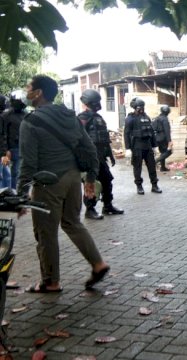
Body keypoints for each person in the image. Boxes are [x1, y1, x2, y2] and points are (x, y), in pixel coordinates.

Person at [18, 75, 110, 292]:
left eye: (29, 87)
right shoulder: (70, 116)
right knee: (72, 223)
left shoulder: (30, 122)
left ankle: (50, 282)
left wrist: (22, 195)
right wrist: (89, 178)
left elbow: (28, 164)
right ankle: (98, 264)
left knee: (45, 232)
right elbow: (89, 149)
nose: (26, 90)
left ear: (38, 92)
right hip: (72, 178)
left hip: (49, 183)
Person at [77, 89, 124, 219]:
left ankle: (107, 206)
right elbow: (77, 140)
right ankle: (90, 209)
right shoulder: (82, 118)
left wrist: (111, 155)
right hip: (89, 159)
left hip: (101, 157)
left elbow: (104, 139)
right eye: (96, 102)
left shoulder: (99, 118)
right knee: (91, 183)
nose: (98, 104)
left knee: (107, 180)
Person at [124, 98, 162, 195]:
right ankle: (139, 186)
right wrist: (127, 148)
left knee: (152, 167)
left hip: (148, 146)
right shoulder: (130, 119)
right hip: (137, 146)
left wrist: (155, 146)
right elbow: (126, 133)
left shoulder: (147, 117)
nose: (141, 110)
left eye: (142, 107)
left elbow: (151, 132)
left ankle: (154, 185)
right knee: (137, 167)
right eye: (139, 108)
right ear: (135, 108)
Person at [0, 90, 28, 189]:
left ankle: (14, 192)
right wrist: (5, 151)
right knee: (6, 174)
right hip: (10, 148)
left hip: (21, 147)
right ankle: (6, 192)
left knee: (17, 173)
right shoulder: (6, 116)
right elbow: (3, 134)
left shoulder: (26, 115)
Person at [152, 105, 173, 172]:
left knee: (163, 152)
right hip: (163, 137)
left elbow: (152, 128)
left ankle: (163, 168)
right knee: (169, 152)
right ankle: (155, 162)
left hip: (156, 137)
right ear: (168, 112)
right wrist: (169, 141)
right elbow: (167, 131)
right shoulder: (165, 119)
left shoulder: (157, 118)